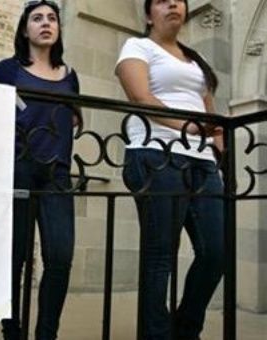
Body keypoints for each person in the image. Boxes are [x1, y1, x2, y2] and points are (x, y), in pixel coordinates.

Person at [115, 0, 224, 339]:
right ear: (149, 14)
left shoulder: (195, 61)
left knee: (216, 253)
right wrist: (189, 127)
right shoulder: (138, 46)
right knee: (161, 255)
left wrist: (218, 140)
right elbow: (140, 96)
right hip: (155, 154)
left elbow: (209, 109)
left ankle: (184, 330)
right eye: (162, 0)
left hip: (202, 161)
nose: (173, 4)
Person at [0, 1, 79, 339]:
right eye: (37, 18)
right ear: (25, 29)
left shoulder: (70, 75)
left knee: (60, 256)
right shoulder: (9, 70)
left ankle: (47, 333)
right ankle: (12, 330)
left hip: (57, 175)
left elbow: (74, 115)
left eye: (52, 18)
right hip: (17, 172)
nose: (46, 23)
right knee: (15, 258)